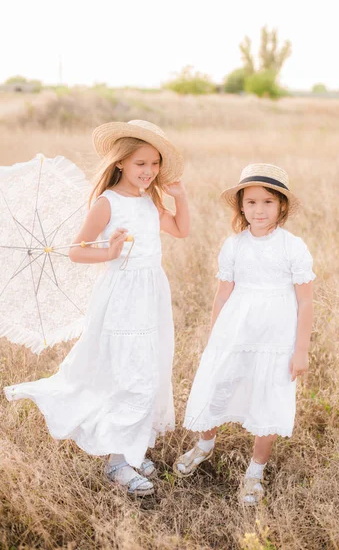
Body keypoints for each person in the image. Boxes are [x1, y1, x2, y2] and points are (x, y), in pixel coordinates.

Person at [5, 120, 189, 497]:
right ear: (120, 162)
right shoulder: (107, 203)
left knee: (149, 368)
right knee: (129, 372)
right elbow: (76, 250)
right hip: (122, 295)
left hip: (151, 293)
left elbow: (181, 230)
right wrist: (110, 251)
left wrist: (180, 198)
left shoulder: (149, 199)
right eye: (141, 163)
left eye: (154, 164)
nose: (149, 171)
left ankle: (133, 444)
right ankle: (118, 462)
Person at [173, 163, 315, 506]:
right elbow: (223, 294)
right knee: (219, 385)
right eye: (250, 202)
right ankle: (204, 445)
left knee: (268, 396)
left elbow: (306, 300)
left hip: (275, 338)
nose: (259, 210)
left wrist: (301, 349)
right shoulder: (234, 245)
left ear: (281, 205)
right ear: (241, 207)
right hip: (235, 332)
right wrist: (214, 339)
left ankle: (255, 472)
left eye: (267, 202)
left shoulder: (292, 246)